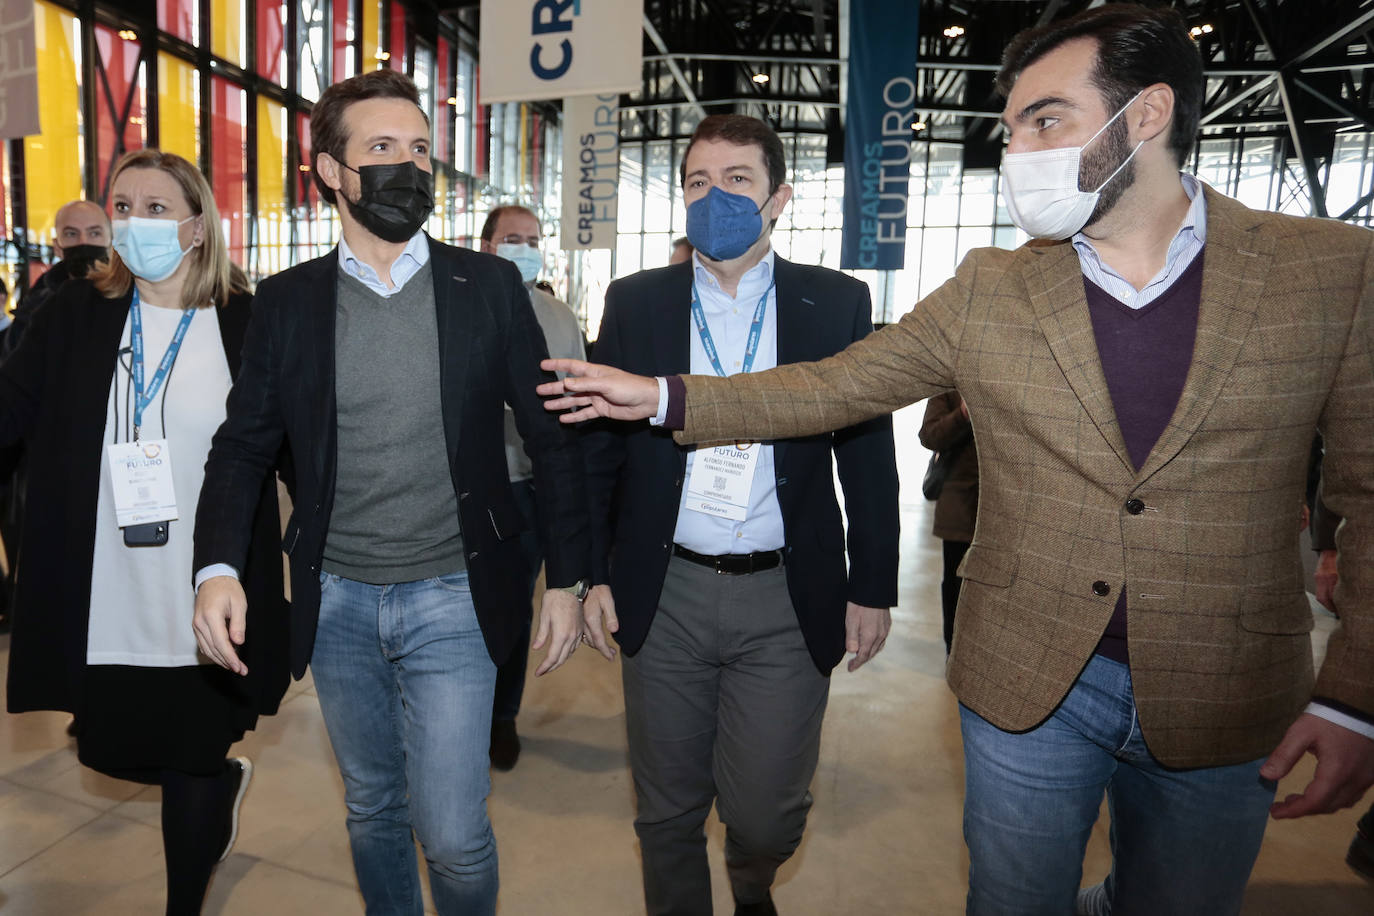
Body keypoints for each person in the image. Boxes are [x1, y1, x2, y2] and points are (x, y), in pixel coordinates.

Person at [539, 6, 1374, 915]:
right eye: (1011, 129)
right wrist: (666, 397)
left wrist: (1354, 694)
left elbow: (1368, 493)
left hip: (1227, 684)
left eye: (1045, 121)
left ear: (1146, 114)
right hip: (1028, 678)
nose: (1017, 152)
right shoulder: (991, 285)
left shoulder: (1331, 272)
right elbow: (838, 389)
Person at [190, 69, 593, 916]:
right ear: (331, 171)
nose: (408, 167)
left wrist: (568, 577)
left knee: (452, 832)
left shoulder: (487, 289)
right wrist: (216, 567)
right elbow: (243, 446)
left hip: (456, 593)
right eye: (382, 148)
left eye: (419, 149)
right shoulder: (287, 303)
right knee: (373, 804)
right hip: (337, 599)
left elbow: (553, 438)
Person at [580, 114, 898, 916]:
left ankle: (753, 880)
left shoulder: (835, 303)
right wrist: (586, 572)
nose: (714, 196)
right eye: (698, 182)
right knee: (666, 810)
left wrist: (873, 585)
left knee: (766, 815)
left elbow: (866, 453)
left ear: (778, 198)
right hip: (667, 588)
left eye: (736, 181)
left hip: (785, 593)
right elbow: (600, 454)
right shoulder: (637, 302)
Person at [1, 149, 290, 915]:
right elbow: (10, 409)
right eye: (122, 207)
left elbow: (295, 444)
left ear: (197, 227)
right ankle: (219, 786)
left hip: (208, 579)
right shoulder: (76, 312)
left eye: (156, 208)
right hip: (108, 582)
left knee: (191, 749)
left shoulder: (246, 320)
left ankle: (184, 896)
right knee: (119, 748)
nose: (134, 223)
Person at [479, 203, 587, 770]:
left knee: (518, 608)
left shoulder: (558, 316)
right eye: (512, 238)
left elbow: (575, 403)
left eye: (533, 239)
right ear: (487, 245)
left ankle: (502, 716)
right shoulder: (463, 304)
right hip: (473, 485)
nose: (524, 248)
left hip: (531, 486)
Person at [6, 199, 112, 355]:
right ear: (57, 247)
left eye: (94, 233)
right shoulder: (34, 310)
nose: (83, 242)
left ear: (111, 241)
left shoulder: (136, 298)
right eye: (71, 234)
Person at [918, 392, 977, 654]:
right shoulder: (951, 384)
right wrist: (962, 414)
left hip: (1009, 508)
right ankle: (953, 654)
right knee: (956, 586)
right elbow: (929, 436)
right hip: (960, 511)